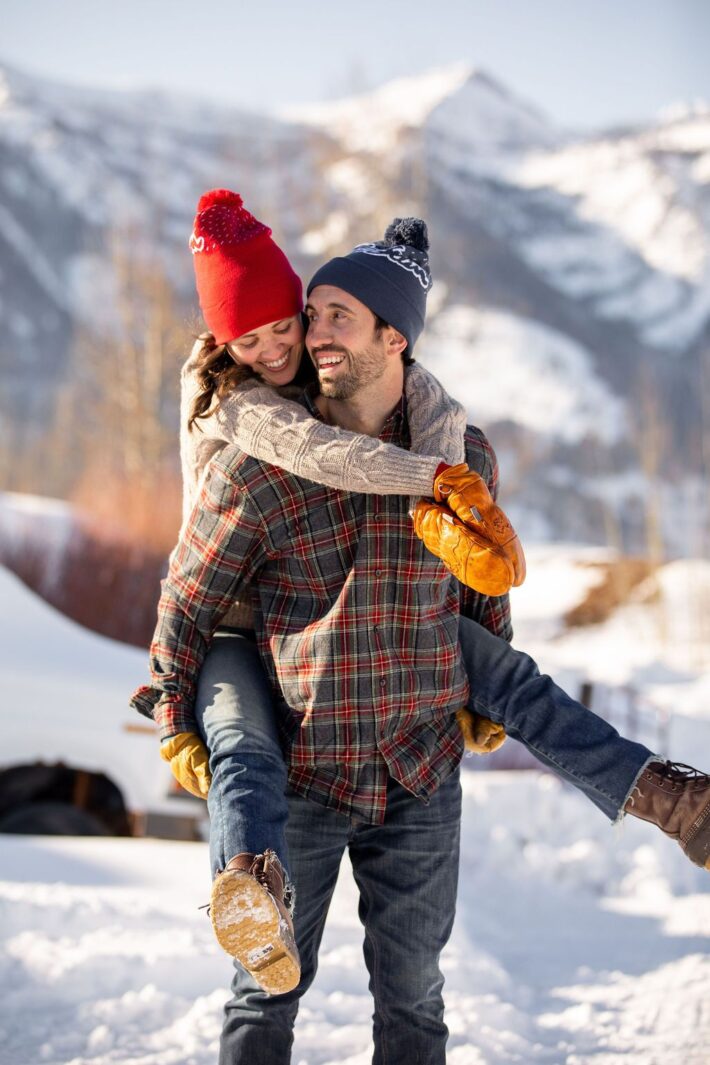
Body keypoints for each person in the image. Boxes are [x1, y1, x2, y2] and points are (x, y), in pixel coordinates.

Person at [133, 198, 710, 1064]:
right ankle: (247, 875)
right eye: (311, 313)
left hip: (418, 770)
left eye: (334, 317)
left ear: (394, 338)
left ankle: (675, 796)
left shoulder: (459, 453)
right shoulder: (262, 457)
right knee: (265, 998)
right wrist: (175, 709)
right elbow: (188, 593)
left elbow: (479, 589)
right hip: (307, 764)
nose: (310, 336)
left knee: (415, 1000)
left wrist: (482, 686)